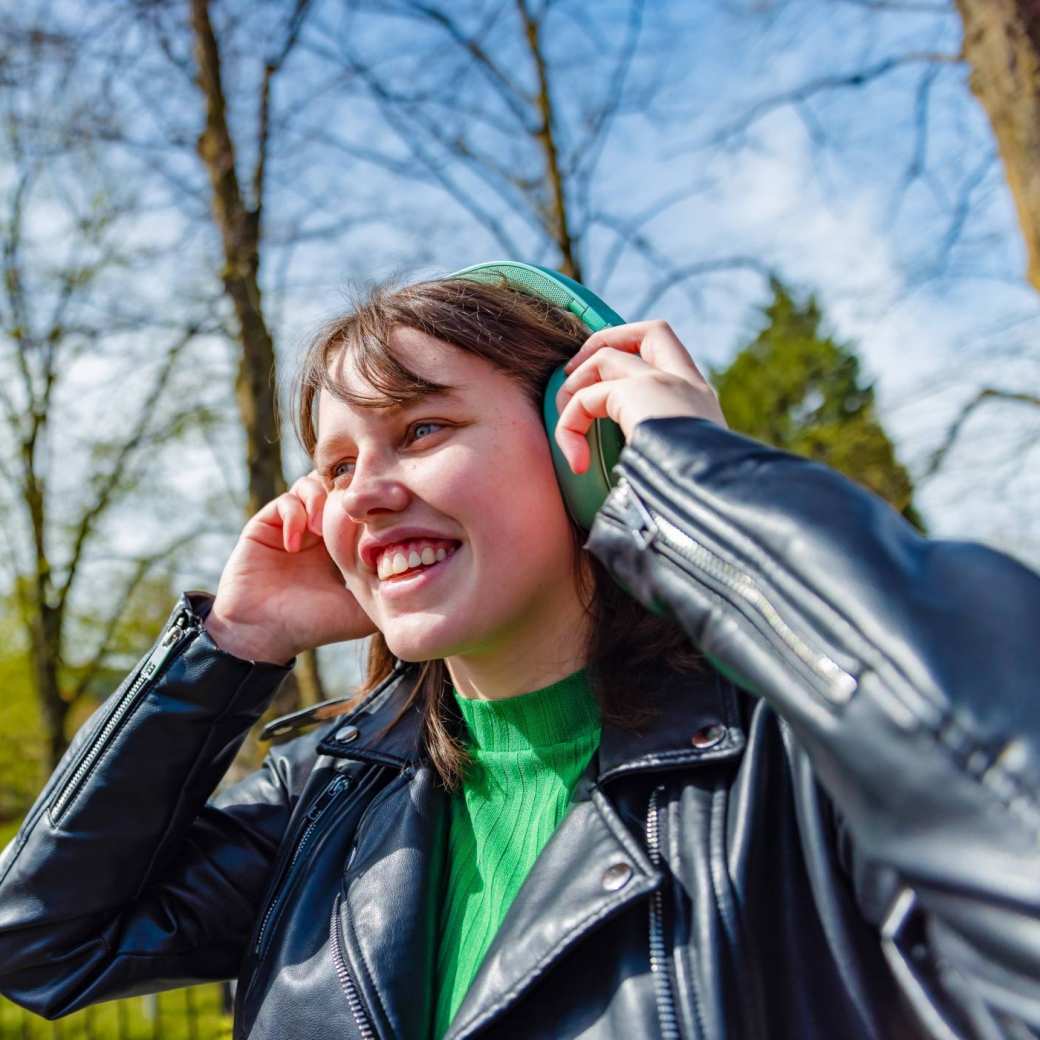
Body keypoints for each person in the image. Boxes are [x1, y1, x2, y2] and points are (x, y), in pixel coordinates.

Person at [0, 267, 1038, 1040]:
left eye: (419, 429)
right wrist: (231, 647)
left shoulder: (798, 768)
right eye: (334, 464)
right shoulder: (331, 799)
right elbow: (42, 937)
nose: (358, 492)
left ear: (579, 444)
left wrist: (692, 487)